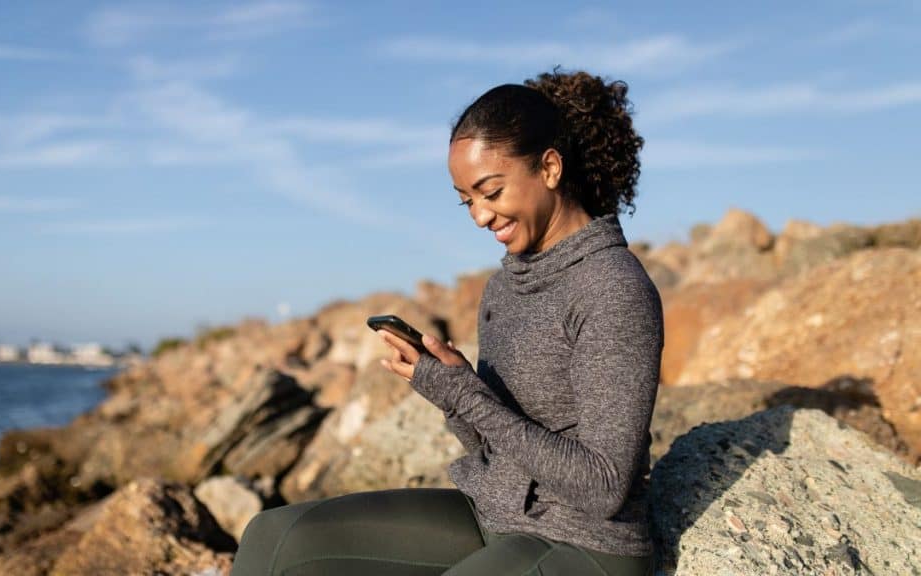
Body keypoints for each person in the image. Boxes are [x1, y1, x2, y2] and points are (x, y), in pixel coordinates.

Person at [230, 67, 663, 576]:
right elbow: (492, 444)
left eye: (492, 192)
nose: (481, 216)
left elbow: (603, 486)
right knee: (276, 537)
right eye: (467, 201)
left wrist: (465, 395)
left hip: (586, 544)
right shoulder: (505, 287)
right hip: (494, 516)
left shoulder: (613, 288)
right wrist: (448, 388)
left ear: (549, 168)